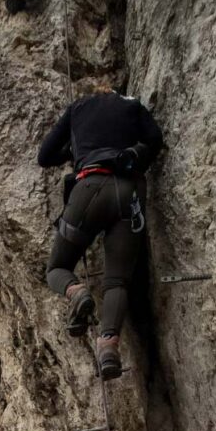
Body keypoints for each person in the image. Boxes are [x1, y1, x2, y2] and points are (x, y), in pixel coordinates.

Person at [38, 86, 163, 378]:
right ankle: (108, 348)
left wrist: (73, 152)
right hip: (129, 193)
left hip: (89, 188)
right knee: (117, 279)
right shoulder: (132, 105)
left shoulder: (78, 109)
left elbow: (44, 156)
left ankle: (77, 292)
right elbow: (155, 139)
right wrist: (133, 154)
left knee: (57, 268)